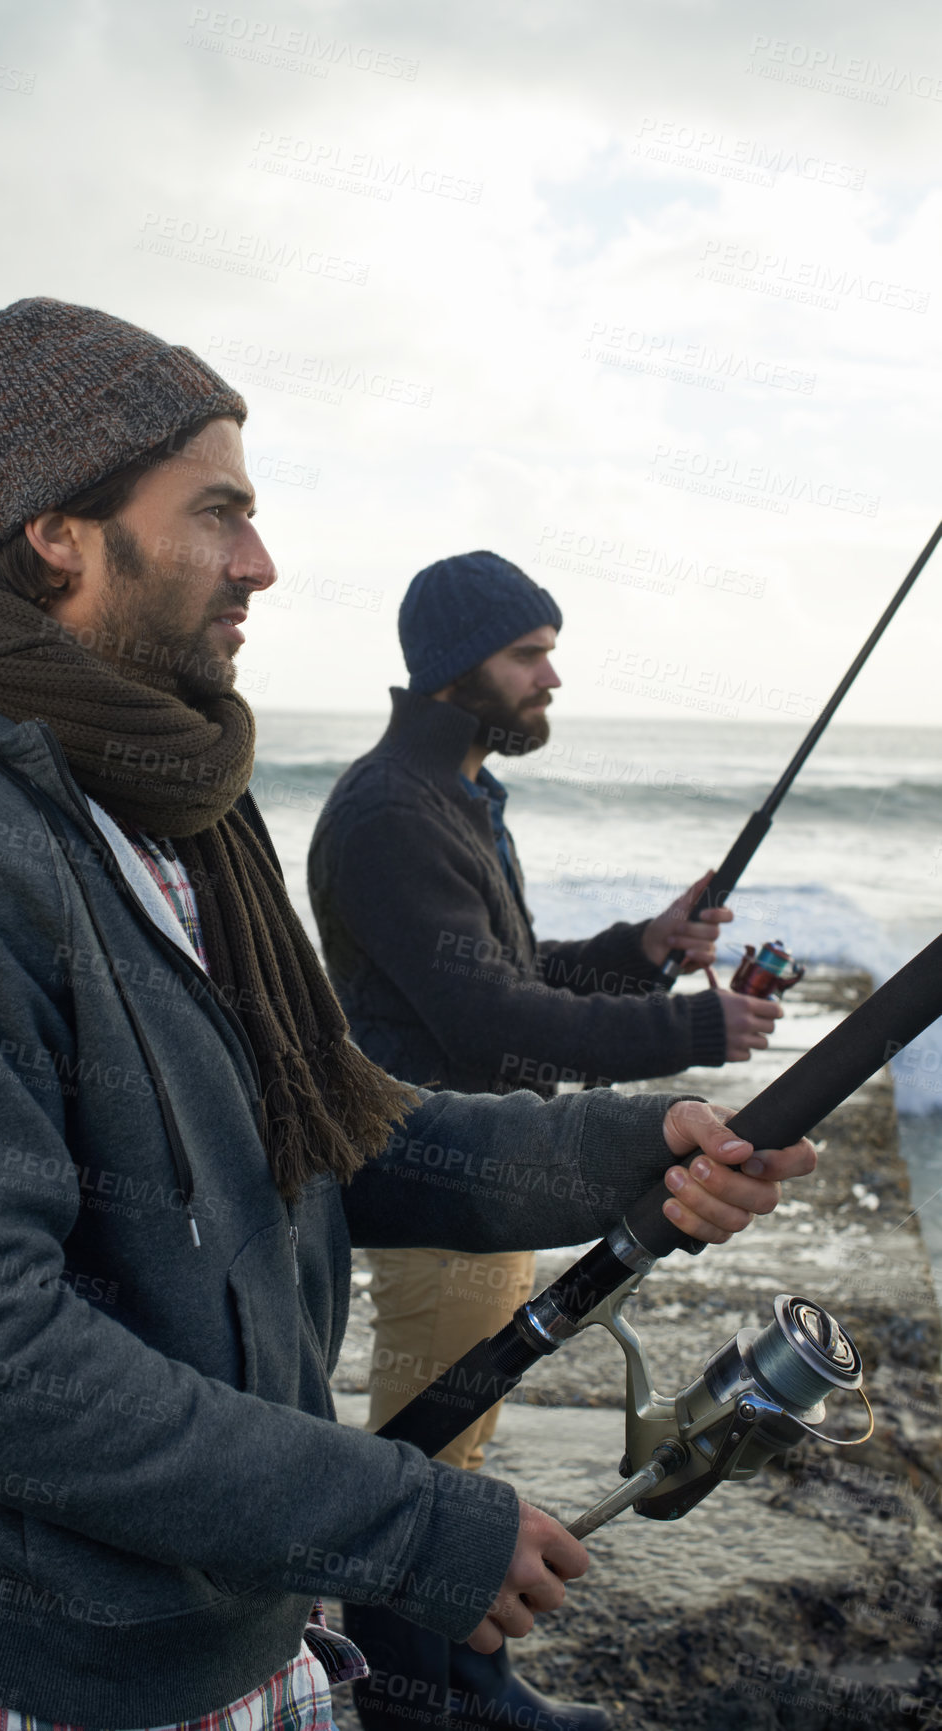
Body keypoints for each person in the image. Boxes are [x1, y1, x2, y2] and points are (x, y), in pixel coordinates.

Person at [0, 302, 812, 1731]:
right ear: (55, 533)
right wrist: (404, 1524)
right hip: (43, 1682)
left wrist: (636, 1148)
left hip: (243, 1628)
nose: (259, 562)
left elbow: (331, 1128)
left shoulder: (175, 810)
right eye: (218, 514)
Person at [306, 550, 782, 1729]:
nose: (551, 676)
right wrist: (693, 1024)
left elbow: (509, 974)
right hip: (440, 1179)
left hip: (488, 1173)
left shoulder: (451, 795)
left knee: (449, 1441)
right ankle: (418, 1697)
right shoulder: (389, 814)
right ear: (453, 670)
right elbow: (489, 1018)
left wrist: (642, 946)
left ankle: (443, 1682)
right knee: (428, 1457)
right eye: (528, 654)